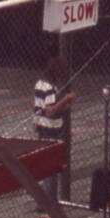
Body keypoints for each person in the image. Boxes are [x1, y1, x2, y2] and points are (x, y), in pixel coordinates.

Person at [33, 55, 74, 201]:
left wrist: (62, 106)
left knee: (47, 166)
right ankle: (48, 203)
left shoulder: (39, 84)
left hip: (41, 127)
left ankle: (47, 202)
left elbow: (44, 107)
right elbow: (50, 111)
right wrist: (65, 100)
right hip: (51, 129)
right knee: (51, 168)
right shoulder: (50, 88)